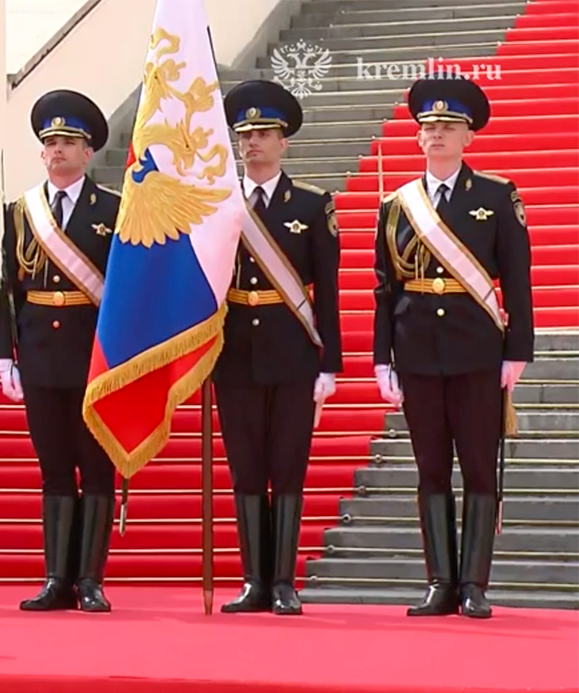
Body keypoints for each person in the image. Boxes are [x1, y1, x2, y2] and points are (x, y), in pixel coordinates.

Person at [372, 74, 533, 619]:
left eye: (448, 127)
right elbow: (383, 289)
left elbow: (517, 277)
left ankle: (475, 584)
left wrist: (517, 352)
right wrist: (381, 358)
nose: (436, 135)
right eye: (428, 127)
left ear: (468, 137)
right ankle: (440, 580)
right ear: (417, 138)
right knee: (432, 468)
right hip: (417, 352)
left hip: (477, 352)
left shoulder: (495, 196)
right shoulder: (397, 205)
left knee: (480, 470)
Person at [214, 80, 343, 615]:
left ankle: (284, 581)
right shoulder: (218, 206)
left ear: (284, 142)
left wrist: (329, 362)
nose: (252, 144)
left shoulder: (312, 205)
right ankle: (254, 581)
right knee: (246, 467)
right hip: (235, 351)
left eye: (264, 134)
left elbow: (329, 290)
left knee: (287, 465)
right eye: (244, 135)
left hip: (292, 351)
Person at [0, 90, 121, 613]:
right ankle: (55, 578)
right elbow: (8, 287)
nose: (58, 151)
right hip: (42, 355)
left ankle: (89, 578)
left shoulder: (113, 209)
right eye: (50, 143)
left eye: (68, 142)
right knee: (52, 469)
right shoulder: (21, 212)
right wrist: (6, 354)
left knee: (94, 469)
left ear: (87, 152)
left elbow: (123, 291)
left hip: (94, 355)